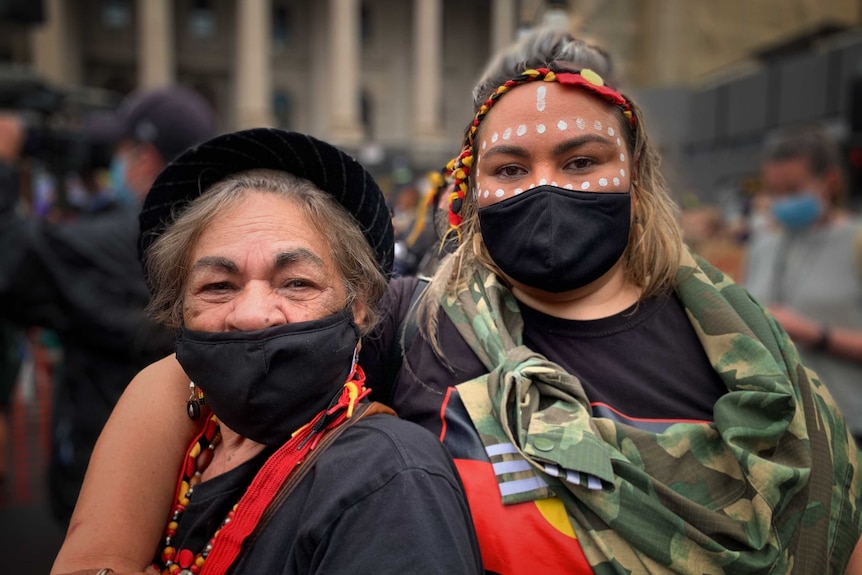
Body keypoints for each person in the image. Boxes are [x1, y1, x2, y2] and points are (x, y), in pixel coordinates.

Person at [52, 29, 862, 575]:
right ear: (471, 192)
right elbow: (210, 366)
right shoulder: (416, 323)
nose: (546, 187)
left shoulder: (747, 357)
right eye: (510, 166)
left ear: (635, 174)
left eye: (581, 160)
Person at [53, 128, 482, 575]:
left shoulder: (391, 478)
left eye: (297, 283)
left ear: (357, 305)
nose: (253, 314)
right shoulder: (180, 424)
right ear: (179, 309)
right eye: (218, 286)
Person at [0, 86, 215, 524]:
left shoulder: (132, 237)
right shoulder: (203, 231)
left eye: (122, 151)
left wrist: (5, 160)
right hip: (179, 466)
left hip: (108, 467)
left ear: (146, 157)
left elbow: (11, 260)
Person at [746, 125, 862, 447]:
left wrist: (816, 334)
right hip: (784, 429)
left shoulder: (855, 243)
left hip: (848, 429)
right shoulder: (765, 246)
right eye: (774, 190)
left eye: (793, 189)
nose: (782, 201)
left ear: (830, 181)